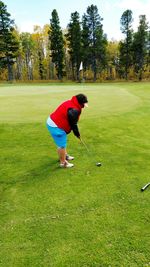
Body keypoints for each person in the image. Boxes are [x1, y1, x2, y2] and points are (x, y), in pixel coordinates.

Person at [46, 94, 88, 168]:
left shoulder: (71, 102)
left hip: (53, 121)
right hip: (55, 126)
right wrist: (77, 134)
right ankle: (63, 163)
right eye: (83, 104)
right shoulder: (74, 110)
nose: (84, 106)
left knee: (62, 143)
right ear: (80, 103)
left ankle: (64, 155)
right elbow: (73, 125)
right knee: (61, 145)